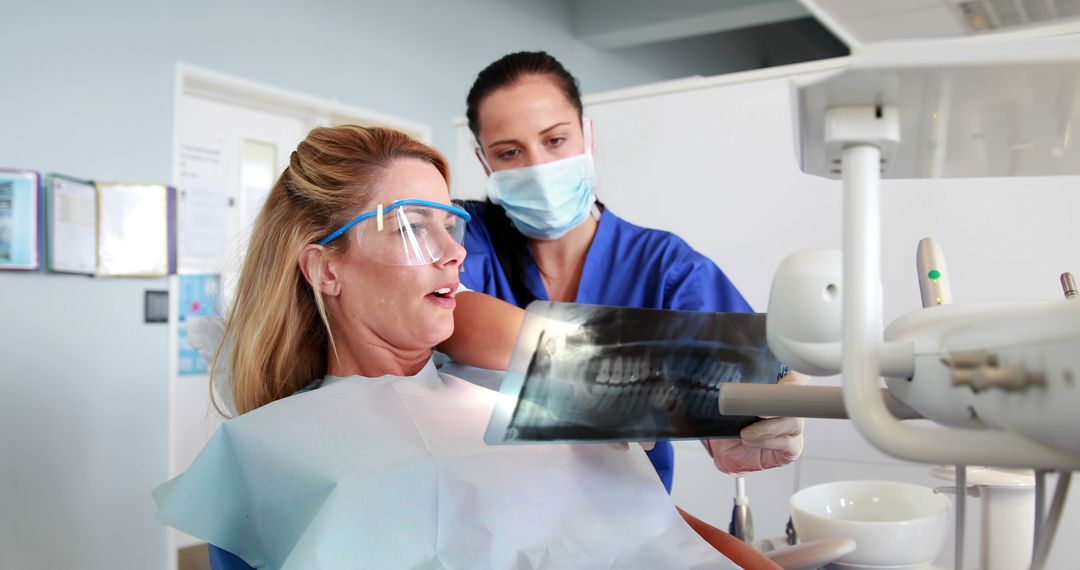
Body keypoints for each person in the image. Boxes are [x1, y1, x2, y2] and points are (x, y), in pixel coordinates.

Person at [153, 125, 778, 569]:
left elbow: (647, 523)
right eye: (412, 226)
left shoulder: (517, 386)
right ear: (325, 269)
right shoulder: (267, 453)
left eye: (450, 224)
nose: (454, 251)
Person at [444, 51, 805, 492]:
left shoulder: (666, 268)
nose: (537, 167)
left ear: (587, 137)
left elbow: (737, 385)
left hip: (625, 530)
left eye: (555, 141)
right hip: (489, 520)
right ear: (486, 164)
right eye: (510, 152)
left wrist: (750, 421)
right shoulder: (462, 237)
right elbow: (451, 318)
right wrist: (616, 373)